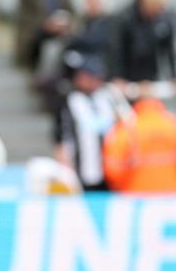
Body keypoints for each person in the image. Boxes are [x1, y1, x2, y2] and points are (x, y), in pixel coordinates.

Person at [53, 57, 124, 192]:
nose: (92, 81)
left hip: (110, 172)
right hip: (82, 171)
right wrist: (66, 169)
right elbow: (61, 137)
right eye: (88, 76)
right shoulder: (70, 101)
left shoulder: (108, 98)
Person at [103, 92, 176, 194]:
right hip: (170, 193)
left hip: (134, 196)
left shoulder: (126, 128)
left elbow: (112, 169)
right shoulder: (175, 125)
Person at [107, 0, 176, 92]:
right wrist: (118, 76)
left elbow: (169, 50)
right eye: (156, 7)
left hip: (150, 78)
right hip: (128, 78)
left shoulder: (163, 19)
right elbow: (116, 51)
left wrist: (174, 76)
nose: (159, 11)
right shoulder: (125, 19)